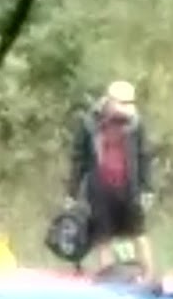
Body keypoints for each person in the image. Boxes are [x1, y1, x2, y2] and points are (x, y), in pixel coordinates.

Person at [67, 80, 157, 284]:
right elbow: (78, 158)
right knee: (102, 234)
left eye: (131, 102)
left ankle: (150, 278)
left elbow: (144, 155)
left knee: (138, 232)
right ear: (109, 101)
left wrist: (147, 188)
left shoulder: (136, 123)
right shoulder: (90, 123)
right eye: (123, 102)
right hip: (100, 188)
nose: (128, 107)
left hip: (129, 187)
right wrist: (71, 193)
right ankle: (109, 280)